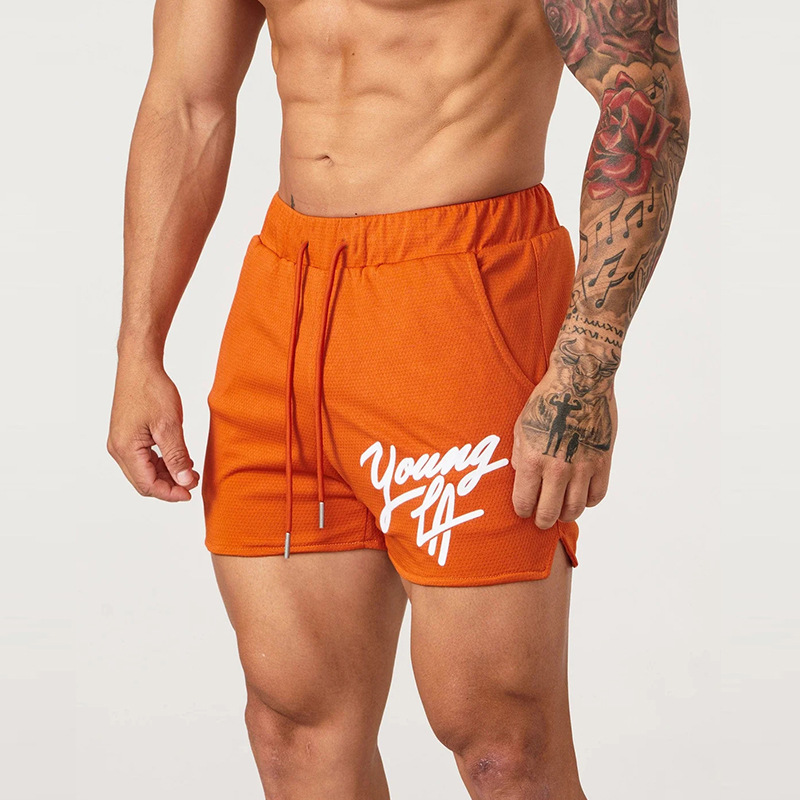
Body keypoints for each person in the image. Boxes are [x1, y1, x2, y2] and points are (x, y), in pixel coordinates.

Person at [107, 0, 689, 797]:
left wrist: (586, 363)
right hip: (288, 299)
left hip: (468, 295)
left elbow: (642, 101)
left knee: (502, 742)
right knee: (293, 726)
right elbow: (186, 101)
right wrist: (138, 348)